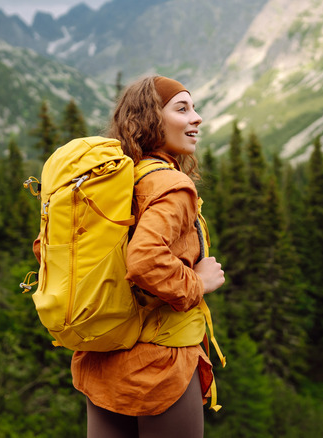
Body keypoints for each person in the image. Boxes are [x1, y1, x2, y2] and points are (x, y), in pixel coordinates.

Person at [71, 75, 226, 438]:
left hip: (105, 355)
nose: (197, 117)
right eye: (182, 108)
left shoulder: (114, 181)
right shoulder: (171, 185)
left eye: (194, 107)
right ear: (152, 120)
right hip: (160, 363)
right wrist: (199, 282)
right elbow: (144, 260)